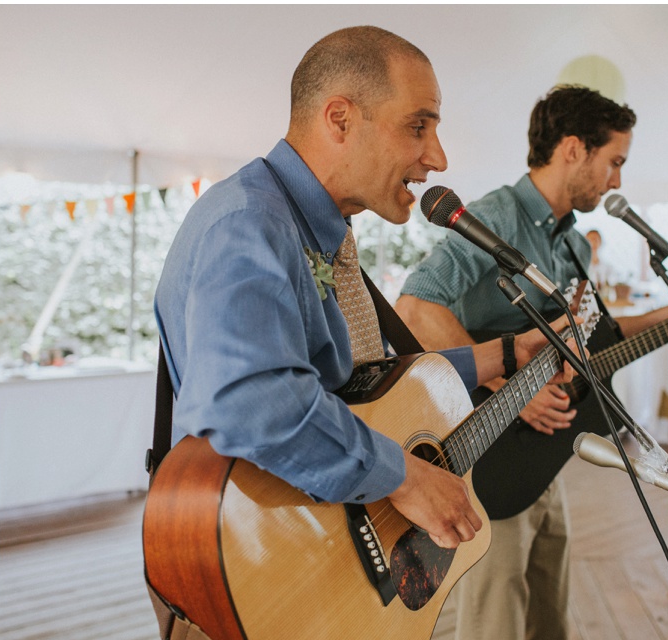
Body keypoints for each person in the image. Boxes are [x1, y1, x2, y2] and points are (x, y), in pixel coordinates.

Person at [154, 26, 572, 563]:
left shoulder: (321, 230)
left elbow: (363, 383)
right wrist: (404, 479)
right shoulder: (249, 225)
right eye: (418, 126)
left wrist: (505, 355)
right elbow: (250, 403)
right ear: (340, 119)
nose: (438, 158)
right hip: (262, 554)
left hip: (316, 541)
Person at [396, 85, 668, 640]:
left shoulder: (573, 242)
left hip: (542, 456)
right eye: (615, 162)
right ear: (574, 150)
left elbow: (602, 331)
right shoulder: (498, 216)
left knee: (548, 623)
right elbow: (417, 306)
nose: (617, 182)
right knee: (493, 631)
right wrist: (506, 392)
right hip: (487, 455)